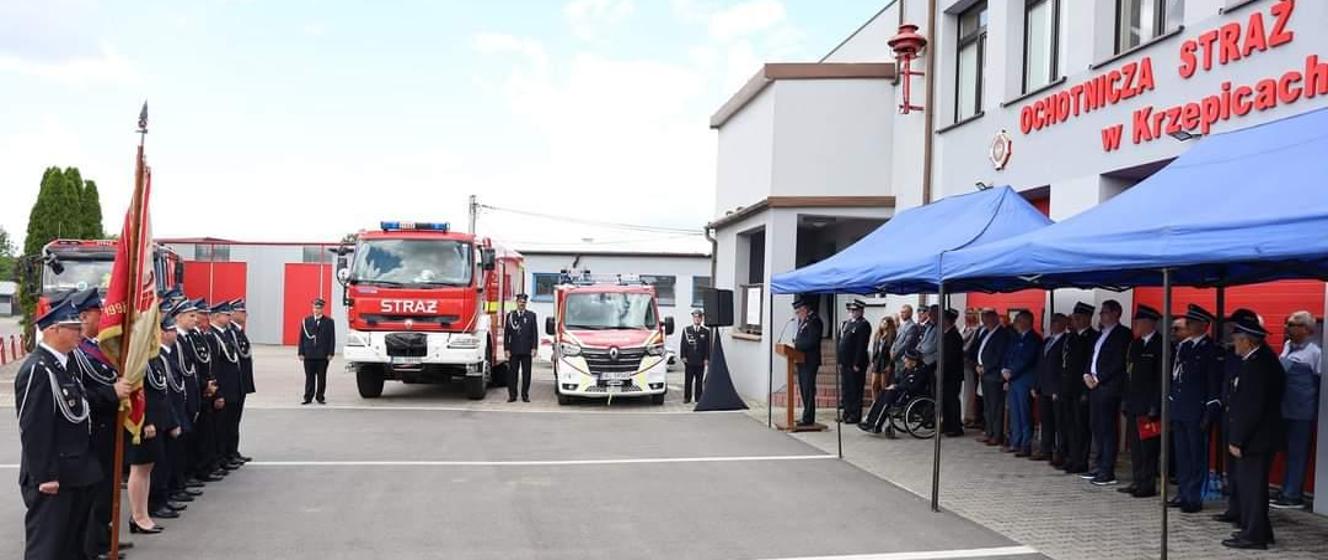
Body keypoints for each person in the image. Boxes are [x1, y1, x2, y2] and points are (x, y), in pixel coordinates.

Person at [16, 299, 103, 559]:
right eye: (74, 328)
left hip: (77, 472)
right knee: (47, 548)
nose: (80, 332)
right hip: (55, 477)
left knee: (72, 547)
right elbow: (34, 428)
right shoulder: (38, 369)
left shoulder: (65, 364)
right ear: (53, 329)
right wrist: (45, 476)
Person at [63, 289, 133, 559]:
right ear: (84, 316)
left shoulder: (98, 347)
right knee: (96, 492)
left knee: (108, 489)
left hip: (108, 427)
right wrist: (112, 393)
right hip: (94, 430)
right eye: (98, 313)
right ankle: (93, 545)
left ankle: (104, 537)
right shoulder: (77, 354)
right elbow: (82, 396)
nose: (104, 317)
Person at [1222, 314, 1285, 550]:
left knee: (1253, 488)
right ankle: (1258, 529)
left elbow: (1252, 408)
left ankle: (1254, 535)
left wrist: (1238, 439)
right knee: (1252, 487)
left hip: (1257, 439)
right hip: (1258, 437)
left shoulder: (1259, 365)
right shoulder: (1259, 359)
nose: (1234, 344)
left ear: (1247, 341)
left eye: (1237, 340)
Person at [1168, 304, 1221, 511]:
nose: (1188, 325)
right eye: (1187, 322)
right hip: (1181, 408)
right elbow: (1176, 379)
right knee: (1182, 455)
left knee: (1196, 456)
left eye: (1192, 322)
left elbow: (1213, 383)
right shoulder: (1185, 346)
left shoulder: (1210, 349)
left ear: (1204, 325)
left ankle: (1194, 497)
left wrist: (1209, 412)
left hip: (1197, 411)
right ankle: (1183, 492)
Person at [1273, 310, 1320, 509]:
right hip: (1284, 409)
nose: (1288, 328)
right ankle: (1285, 489)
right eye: (1288, 324)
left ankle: (1293, 495)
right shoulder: (1287, 347)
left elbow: (1319, 383)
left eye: (1293, 325)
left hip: (1302, 413)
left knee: (1297, 453)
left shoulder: (1315, 353)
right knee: (1286, 452)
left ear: (1306, 329)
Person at [1082, 299, 1131, 486]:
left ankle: (1107, 469)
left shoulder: (1122, 334)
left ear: (1115, 313)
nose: (1101, 316)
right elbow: (1092, 357)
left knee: (1107, 428)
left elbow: (1118, 361)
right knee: (1096, 426)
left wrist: (1099, 378)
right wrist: (1087, 373)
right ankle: (1098, 464)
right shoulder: (1101, 334)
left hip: (1108, 386)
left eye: (1104, 312)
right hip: (1094, 385)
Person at [144, 313, 185, 522]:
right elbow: (144, 394)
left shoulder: (158, 358)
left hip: (164, 417)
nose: (174, 333)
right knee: (156, 466)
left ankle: (163, 498)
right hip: (153, 421)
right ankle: (155, 503)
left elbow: (165, 392)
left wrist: (173, 420)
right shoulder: (145, 360)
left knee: (164, 462)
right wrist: (148, 421)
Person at [1119, 305, 1163, 498]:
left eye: (1138, 322)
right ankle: (1137, 480)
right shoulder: (1135, 345)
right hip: (1133, 403)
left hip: (1148, 406)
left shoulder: (1160, 345)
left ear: (1149, 323)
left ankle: (1147, 484)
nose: (1135, 325)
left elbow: (1161, 379)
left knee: (1148, 447)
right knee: (1135, 447)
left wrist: (1155, 405)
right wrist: (1125, 399)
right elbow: (1128, 374)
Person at [1059, 303, 1097, 474]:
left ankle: (1081, 460)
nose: (1075, 321)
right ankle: (1071, 457)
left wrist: (1085, 392)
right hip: (1068, 388)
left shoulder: (1093, 337)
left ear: (1087, 318)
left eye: (1078, 318)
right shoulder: (1071, 337)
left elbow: (1088, 365)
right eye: (1074, 318)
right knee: (1069, 425)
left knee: (1081, 426)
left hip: (1082, 388)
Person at [859, 347, 931, 438]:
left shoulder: (921, 371)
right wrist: (893, 384)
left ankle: (877, 424)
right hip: (902, 392)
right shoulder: (908, 369)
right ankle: (869, 420)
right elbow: (900, 379)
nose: (904, 360)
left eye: (906, 359)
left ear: (913, 362)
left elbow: (913, 387)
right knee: (883, 393)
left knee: (888, 397)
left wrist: (896, 387)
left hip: (911, 395)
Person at [1002, 310, 1042, 457]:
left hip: (1025, 380)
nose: (1014, 324)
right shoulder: (1016, 338)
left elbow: (1026, 359)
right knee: (1014, 412)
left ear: (1026, 321)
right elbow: (1007, 354)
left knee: (1024, 412)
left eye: (1017, 321)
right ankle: (1015, 441)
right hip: (1013, 380)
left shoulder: (1034, 339)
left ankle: (1025, 444)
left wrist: (1012, 372)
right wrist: (1004, 369)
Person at [1031, 313, 1067, 463]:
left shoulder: (1066, 341)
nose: (1053, 324)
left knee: (1060, 422)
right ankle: (1046, 449)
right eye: (1052, 321)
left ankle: (1061, 451)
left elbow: (1063, 368)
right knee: (1046, 420)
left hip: (1056, 388)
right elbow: (1040, 364)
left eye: (1056, 322)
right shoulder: (1047, 341)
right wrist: (1036, 385)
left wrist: (1058, 388)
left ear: (1064, 324)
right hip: (1043, 386)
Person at [974, 309, 1011, 448]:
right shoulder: (985, 333)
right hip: (984, 373)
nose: (984, 321)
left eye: (987, 318)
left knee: (996, 406)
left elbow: (999, 355)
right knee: (987, 406)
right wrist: (978, 365)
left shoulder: (1002, 334)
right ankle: (989, 431)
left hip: (994, 375)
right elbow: (980, 351)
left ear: (995, 318)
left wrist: (986, 367)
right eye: (983, 318)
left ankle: (997, 434)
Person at [229, 299, 255, 463]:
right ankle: (229, 453)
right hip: (234, 385)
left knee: (235, 421)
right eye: (242, 312)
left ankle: (233, 451)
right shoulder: (231, 333)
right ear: (233, 314)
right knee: (230, 422)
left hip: (241, 384)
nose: (245, 315)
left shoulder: (238, 332)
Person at [837, 300, 872, 424]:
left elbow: (861, 346)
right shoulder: (845, 324)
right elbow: (840, 343)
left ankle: (854, 414)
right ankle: (846, 413)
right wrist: (839, 359)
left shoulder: (863, 325)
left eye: (855, 310)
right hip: (845, 361)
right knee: (846, 389)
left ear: (861, 311)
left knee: (855, 389)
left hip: (855, 363)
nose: (852, 312)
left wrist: (857, 363)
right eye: (850, 310)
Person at [298, 298, 336, 405]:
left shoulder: (329, 322)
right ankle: (308, 397)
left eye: (318, 308)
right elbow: (301, 338)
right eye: (315, 308)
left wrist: (331, 353)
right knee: (309, 377)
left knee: (321, 377)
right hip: (309, 354)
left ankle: (320, 397)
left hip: (322, 355)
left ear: (322, 309)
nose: (316, 310)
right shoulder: (306, 321)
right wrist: (301, 352)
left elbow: (332, 338)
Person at [793, 294, 823, 427]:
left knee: (808, 389)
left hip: (810, 360)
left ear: (805, 309)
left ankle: (808, 418)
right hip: (802, 360)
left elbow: (812, 341)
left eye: (799, 311)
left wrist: (797, 345)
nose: (798, 314)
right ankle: (806, 415)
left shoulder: (814, 321)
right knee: (804, 389)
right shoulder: (805, 321)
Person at [503, 293, 538, 403]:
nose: (522, 304)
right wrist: (506, 348)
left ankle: (525, 395)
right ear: (517, 302)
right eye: (520, 302)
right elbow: (506, 334)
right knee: (512, 374)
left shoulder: (531, 315)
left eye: (524, 302)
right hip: (514, 350)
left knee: (526, 374)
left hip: (527, 350)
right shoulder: (511, 316)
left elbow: (534, 333)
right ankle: (512, 395)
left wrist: (534, 347)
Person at [939, 308, 966, 437]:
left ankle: (955, 426)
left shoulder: (954, 336)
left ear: (948, 321)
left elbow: (950, 357)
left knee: (952, 400)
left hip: (952, 374)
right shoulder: (946, 334)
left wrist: (943, 370)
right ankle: (947, 424)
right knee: (945, 400)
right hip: (947, 373)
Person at [679, 309, 711, 404]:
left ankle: (698, 397)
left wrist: (707, 358)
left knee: (699, 380)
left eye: (699, 317)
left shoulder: (705, 331)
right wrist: (683, 356)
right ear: (693, 318)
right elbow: (683, 344)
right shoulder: (687, 330)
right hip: (689, 359)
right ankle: (687, 397)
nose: (697, 319)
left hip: (700, 360)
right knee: (688, 380)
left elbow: (707, 346)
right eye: (695, 317)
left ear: (701, 319)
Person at [961, 310, 983, 430]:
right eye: (966, 314)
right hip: (961, 364)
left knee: (968, 392)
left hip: (969, 364)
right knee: (963, 392)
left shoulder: (976, 330)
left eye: (970, 314)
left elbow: (967, 347)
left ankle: (968, 416)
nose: (967, 317)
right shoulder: (963, 328)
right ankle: (963, 415)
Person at [869, 317, 897, 397]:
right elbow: (874, 348)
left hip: (886, 361)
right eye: (882, 322)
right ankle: (875, 401)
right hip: (877, 360)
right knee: (874, 384)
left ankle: (883, 402)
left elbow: (892, 350)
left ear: (889, 325)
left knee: (884, 384)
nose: (883, 325)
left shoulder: (892, 335)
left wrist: (890, 364)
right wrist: (872, 361)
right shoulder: (877, 334)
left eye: (885, 323)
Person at [890, 304, 919, 382]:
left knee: (902, 380)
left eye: (904, 312)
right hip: (897, 359)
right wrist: (892, 351)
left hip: (903, 359)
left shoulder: (912, 326)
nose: (901, 314)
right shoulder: (902, 325)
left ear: (910, 313)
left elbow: (907, 344)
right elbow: (896, 341)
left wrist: (896, 354)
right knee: (896, 380)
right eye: (901, 312)